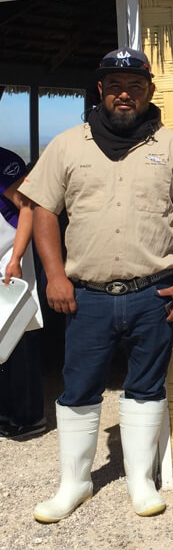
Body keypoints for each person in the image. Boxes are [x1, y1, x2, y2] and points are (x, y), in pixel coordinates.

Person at [20, 47, 173, 522]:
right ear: (100, 90)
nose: (125, 94)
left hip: (154, 294)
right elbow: (43, 212)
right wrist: (54, 277)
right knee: (78, 387)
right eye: (115, 86)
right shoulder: (67, 145)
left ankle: (141, 481)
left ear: (149, 92)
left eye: (135, 86)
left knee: (145, 387)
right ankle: (75, 483)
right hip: (87, 298)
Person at [0, 147, 45, 441]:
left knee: (17, 331)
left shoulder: (5, 161)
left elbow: (28, 206)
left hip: (8, 258)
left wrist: (16, 258)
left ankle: (28, 415)